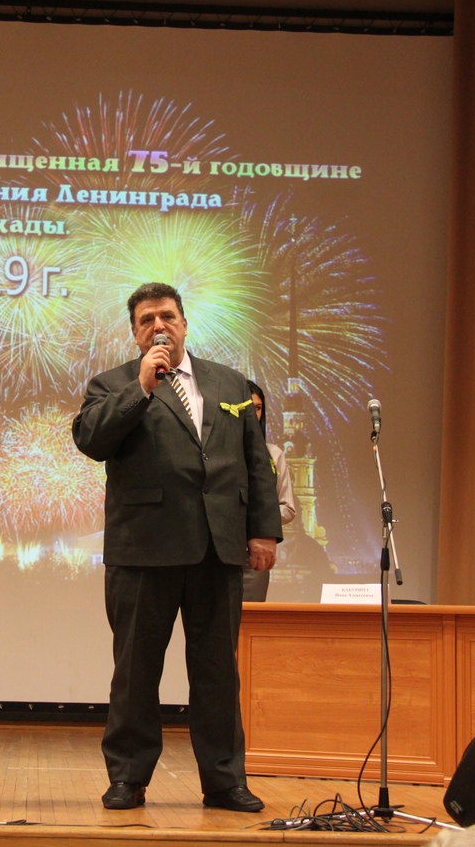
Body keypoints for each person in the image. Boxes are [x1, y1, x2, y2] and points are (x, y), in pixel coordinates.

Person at [72, 282, 282, 812]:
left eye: (166, 316)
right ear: (134, 333)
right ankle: (128, 777)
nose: (158, 326)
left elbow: (255, 461)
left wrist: (262, 530)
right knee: (136, 672)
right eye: (146, 320)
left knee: (217, 673)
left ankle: (224, 781)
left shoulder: (230, 382)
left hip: (218, 547)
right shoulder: (112, 384)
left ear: (184, 324)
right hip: (143, 550)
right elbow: (91, 440)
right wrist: (141, 388)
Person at [243, 381, 299, 602]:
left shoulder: (273, 454)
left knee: (249, 620)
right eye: (248, 407)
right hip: (214, 556)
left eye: (258, 408)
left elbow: (288, 508)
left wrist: (256, 520)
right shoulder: (212, 454)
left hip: (254, 557)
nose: (253, 414)